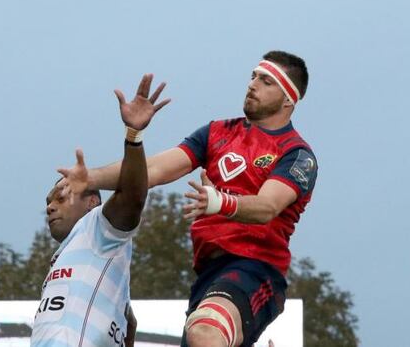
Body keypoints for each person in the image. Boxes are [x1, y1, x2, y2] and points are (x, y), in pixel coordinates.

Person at [57, 51, 318, 347]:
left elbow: (267, 207)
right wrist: (92, 175)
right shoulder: (218, 132)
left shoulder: (296, 154)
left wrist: (219, 202)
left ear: (288, 99)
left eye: (266, 81)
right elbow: (153, 170)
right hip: (209, 275)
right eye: (253, 76)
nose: (252, 85)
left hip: (256, 270)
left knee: (205, 333)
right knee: (203, 335)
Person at [30, 74, 170, 347]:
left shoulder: (97, 227)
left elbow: (132, 197)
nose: (50, 206)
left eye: (61, 196)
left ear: (93, 202)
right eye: (48, 201)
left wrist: (134, 137)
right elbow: (128, 322)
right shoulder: (77, 257)